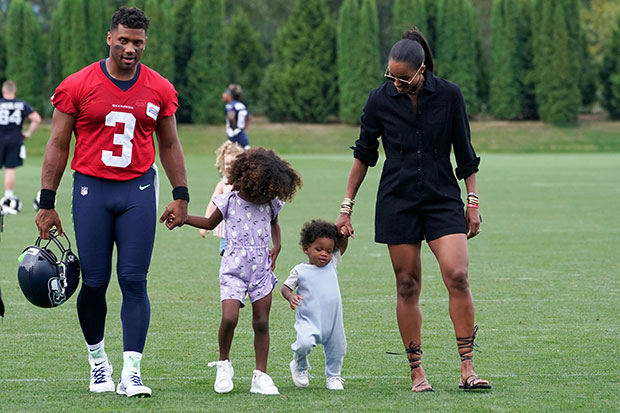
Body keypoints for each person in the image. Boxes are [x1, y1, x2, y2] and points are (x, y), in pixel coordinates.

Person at [34, 7, 189, 398]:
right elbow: (57, 144)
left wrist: (181, 194)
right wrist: (46, 201)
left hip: (137, 190)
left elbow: (169, 144)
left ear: (145, 43)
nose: (130, 48)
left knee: (134, 281)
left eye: (137, 42)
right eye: (123, 40)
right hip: (91, 190)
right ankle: (98, 363)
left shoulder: (159, 87)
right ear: (109, 38)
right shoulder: (77, 84)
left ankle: (132, 371)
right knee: (96, 282)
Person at [335, 29, 491, 392]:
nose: (397, 84)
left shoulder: (450, 95)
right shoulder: (379, 100)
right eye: (391, 77)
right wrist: (346, 207)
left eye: (404, 78)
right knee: (407, 285)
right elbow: (364, 155)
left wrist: (472, 202)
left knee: (457, 274)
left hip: (441, 197)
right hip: (397, 199)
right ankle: (417, 371)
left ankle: (467, 367)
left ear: (422, 70)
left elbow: (465, 153)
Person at [164, 147, 302, 395]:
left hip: (261, 268)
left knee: (261, 322)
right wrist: (184, 220)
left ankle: (260, 375)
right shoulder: (230, 200)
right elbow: (209, 222)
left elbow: (274, 224)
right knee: (229, 318)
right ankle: (224, 364)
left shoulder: (270, 202)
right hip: (233, 268)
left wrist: (278, 244)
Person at [281, 219, 349, 391]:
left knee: (338, 349)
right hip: (309, 321)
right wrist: (290, 296)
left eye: (328, 251)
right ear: (306, 249)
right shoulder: (300, 270)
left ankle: (333, 376)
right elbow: (285, 287)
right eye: (319, 249)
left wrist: (344, 235)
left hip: (333, 322)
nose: (324, 254)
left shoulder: (332, 264)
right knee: (303, 344)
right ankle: (299, 366)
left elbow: (342, 248)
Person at [0, 80, 41, 214]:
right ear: (14, 91)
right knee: (10, 169)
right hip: (15, 139)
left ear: (3, 91)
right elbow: (36, 119)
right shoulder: (21, 104)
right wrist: (28, 133)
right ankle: (8, 195)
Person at [199, 141, 244, 255]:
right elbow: (213, 203)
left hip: (244, 230)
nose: (230, 166)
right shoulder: (223, 185)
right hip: (227, 231)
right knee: (226, 255)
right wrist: (205, 223)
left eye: (233, 163)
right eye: (227, 163)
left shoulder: (246, 183)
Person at [222, 84, 251, 149]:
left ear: (230, 95)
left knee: (232, 155)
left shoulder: (230, 105)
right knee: (247, 153)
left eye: (225, 93)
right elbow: (249, 118)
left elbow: (231, 117)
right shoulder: (241, 105)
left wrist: (233, 129)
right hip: (242, 134)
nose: (223, 95)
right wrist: (243, 128)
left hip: (234, 135)